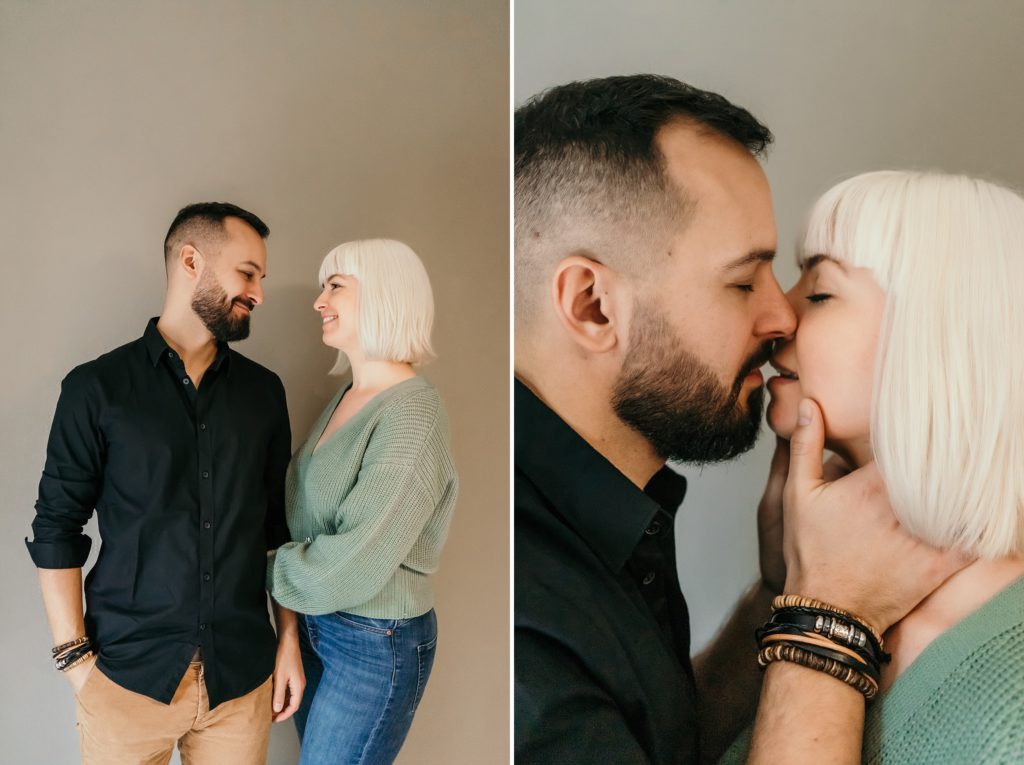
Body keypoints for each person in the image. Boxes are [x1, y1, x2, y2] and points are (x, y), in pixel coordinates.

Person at [514, 74, 963, 764]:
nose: (782, 315)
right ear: (593, 306)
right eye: (742, 279)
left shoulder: (611, 511)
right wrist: (829, 616)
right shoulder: (523, 614)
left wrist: (782, 595)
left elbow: (652, 742)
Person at [721, 170, 1024, 763]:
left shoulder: (1009, 712)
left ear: (938, 334)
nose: (778, 312)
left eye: (820, 292)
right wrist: (790, 591)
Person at [27, 202, 304, 764]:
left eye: (261, 279)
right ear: (191, 260)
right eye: (247, 273)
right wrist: (75, 661)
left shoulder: (263, 394)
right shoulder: (96, 389)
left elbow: (279, 530)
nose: (259, 293)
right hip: (126, 680)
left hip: (240, 681)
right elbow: (57, 524)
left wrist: (288, 643)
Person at [266, 238, 458, 764]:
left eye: (335, 286)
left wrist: (260, 566)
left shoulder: (412, 414)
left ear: (384, 296)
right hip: (316, 621)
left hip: (374, 641)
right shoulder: (350, 396)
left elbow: (355, 558)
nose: (318, 302)